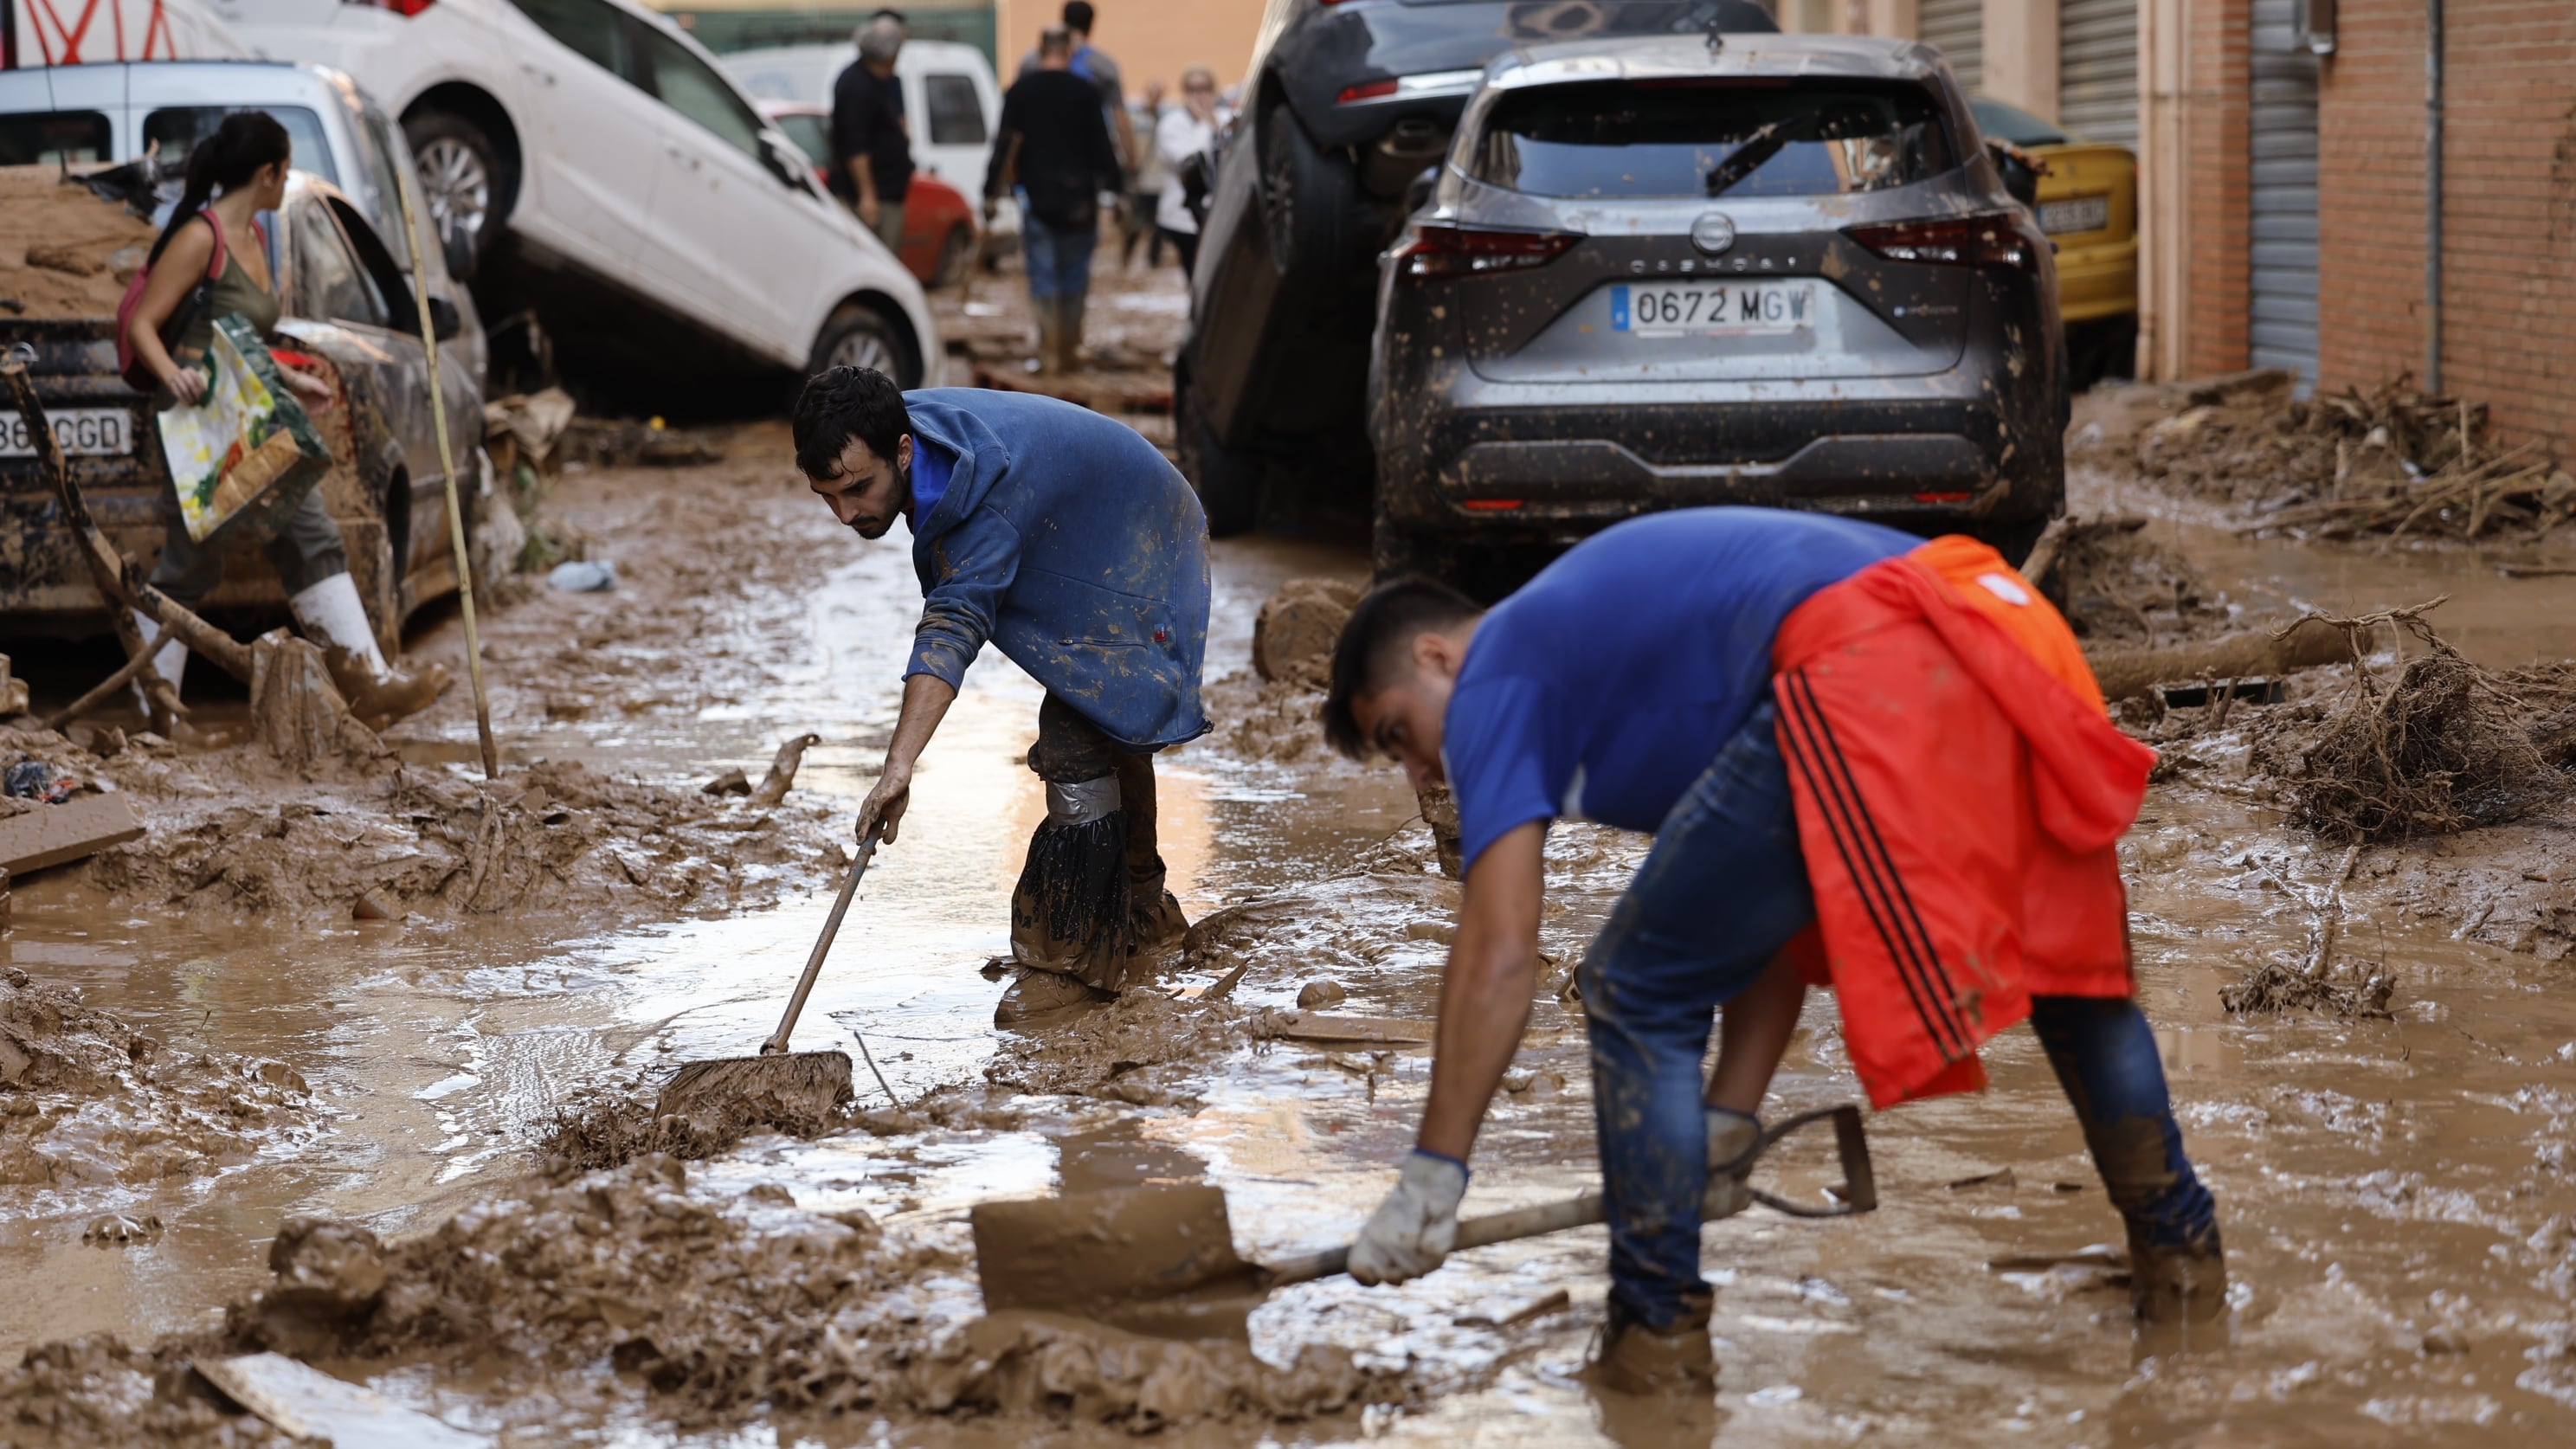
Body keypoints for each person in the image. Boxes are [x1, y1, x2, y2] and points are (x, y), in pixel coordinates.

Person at [1318, 508, 2225, 1395]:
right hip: (2006, 631)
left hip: (1878, 650)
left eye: (1398, 733)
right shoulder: (1622, 668)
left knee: (1632, 989)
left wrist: (1433, 1176)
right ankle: (2184, 1276)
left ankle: (1655, 1344)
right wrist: (1728, 1122)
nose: (1421, 773)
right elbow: (1756, 926)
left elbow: (1500, 954)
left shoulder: (1497, 672)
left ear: (1437, 657)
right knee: (2075, 984)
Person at [791, 366, 1208, 1024]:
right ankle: (1143, 916)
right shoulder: (896, 425)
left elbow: (953, 628)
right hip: (1088, 509)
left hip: (1145, 524)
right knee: (1103, 716)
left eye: (858, 490)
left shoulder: (982, 498)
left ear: (903, 449)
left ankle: (1074, 965)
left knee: (1079, 734)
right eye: (827, 496)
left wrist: (898, 767)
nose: (847, 514)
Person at [123, 111, 446, 727]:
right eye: (286, 171)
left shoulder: (255, 239)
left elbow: (241, 338)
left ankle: (367, 682)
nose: (285, 182)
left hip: (248, 412)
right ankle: (153, 714)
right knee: (192, 564)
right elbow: (144, 326)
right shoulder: (202, 237)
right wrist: (172, 374)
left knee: (310, 532)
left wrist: (289, 375)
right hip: (199, 423)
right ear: (267, 173)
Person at [987, 27, 1120, 374]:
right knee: (1075, 277)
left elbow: (1004, 146)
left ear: (1039, 50)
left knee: (1044, 276)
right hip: (1081, 202)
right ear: (1070, 53)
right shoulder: (1087, 93)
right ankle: (1070, 350)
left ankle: (1048, 354)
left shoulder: (1020, 92)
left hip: (1038, 199)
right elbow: (1103, 146)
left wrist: (989, 191)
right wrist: (1118, 188)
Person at [1018, 1, 1136, 173]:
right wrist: (1132, 163)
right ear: (1091, 25)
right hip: (1085, 161)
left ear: (1063, 20)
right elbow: (1120, 119)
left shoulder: (1032, 62)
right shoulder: (1103, 66)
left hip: (1038, 157)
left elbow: (1016, 114)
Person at [830, 16, 912, 252]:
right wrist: (868, 196)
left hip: (887, 193)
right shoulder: (857, 85)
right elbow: (855, 144)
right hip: (874, 197)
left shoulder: (880, 82)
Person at [1152, 65, 1218, 276]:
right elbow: (1190, 160)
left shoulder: (1222, 118)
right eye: (1193, 89)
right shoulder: (1171, 124)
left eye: (1205, 88)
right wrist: (1206, 123)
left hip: (1219, 213)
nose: (1200, 95)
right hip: (1184, 216)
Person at [1122, 78, 1167, 268]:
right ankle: (1127, 257)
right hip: (1142, 181)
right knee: (1137, 223)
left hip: (1161, 181)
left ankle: (1153, 262)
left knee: (1159, 226)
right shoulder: (1135, 119)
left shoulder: (1167, 120)